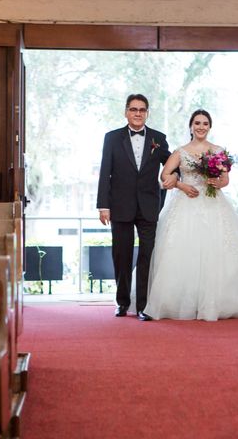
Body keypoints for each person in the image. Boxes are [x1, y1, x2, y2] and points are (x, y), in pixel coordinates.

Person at [144, 109, 238, 321]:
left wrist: (218, 182)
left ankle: (219, 301)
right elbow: (165, 174)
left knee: (217, 250)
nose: (201, 127)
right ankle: (181, 302)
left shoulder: (218, 151)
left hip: (213, 202)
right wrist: (181, 185)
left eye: (205, 123)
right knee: (183, 251)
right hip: (186, 203)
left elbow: (225, 179)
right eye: (197, 123)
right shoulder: (180, 152)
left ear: (210, 127)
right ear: (190, 126)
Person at [97, 94, 176, 321]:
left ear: (147, 113)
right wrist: (103, 205)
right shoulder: (111, 138)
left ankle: (143, 305)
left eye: (142, 109)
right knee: (121, 255)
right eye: (133, 109)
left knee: (147, 256)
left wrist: (175, 176)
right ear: (126, 112)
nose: (138, 113)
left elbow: (170, 164)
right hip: (119, 205)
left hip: (150, 205)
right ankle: (122, 302)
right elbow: (105, 172)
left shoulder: (158, 138)